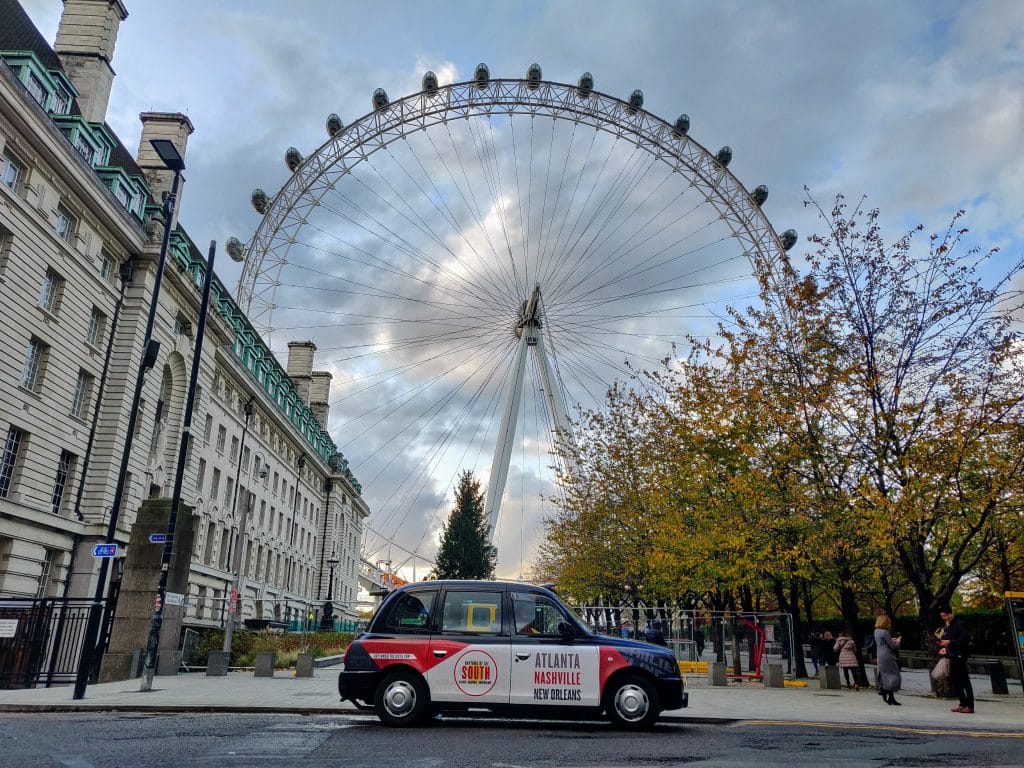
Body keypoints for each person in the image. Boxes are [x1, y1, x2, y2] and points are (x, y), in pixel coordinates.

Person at [938, 604, 974, 714]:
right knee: (955, 680)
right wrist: (946, 648)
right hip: (952, 654)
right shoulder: (948, 625)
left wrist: (950, 642)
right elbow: (949, 639)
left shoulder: (959, 623)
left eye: (945, 616)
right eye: (942, 616)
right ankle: (962, 703)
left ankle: (970, 705)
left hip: (960, 655)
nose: (943, 618)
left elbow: (965, 639)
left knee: (964, 680)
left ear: (950, 613)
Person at [874, 614, 902, 705]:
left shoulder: (876, 631)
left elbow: (883, 642)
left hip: (880, 655)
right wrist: (898, 642)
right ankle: (884, 691)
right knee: (894, 675)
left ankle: (890, 697)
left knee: (885, 675)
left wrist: (891, 639)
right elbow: (893, 647)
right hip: (887, 655)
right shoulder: (885, 632)